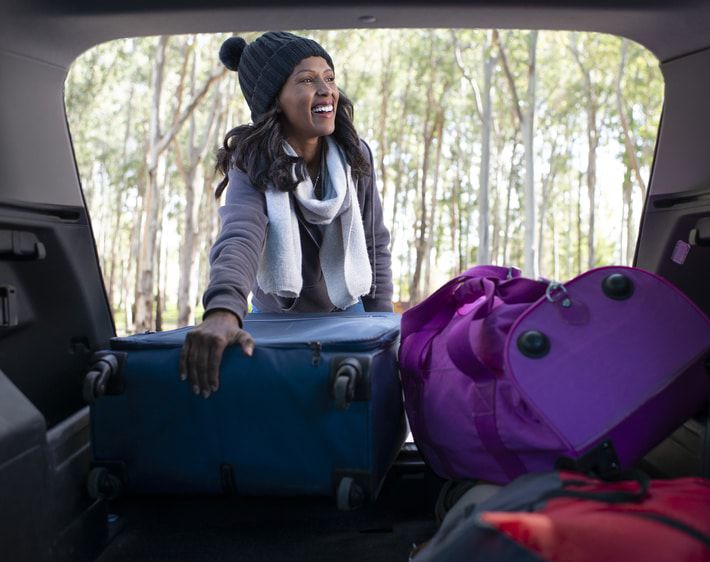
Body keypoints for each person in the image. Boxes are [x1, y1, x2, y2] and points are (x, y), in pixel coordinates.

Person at [180, 31, 394, 398]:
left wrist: (383, 325)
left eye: (329, 77)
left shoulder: (355, 154)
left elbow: (374, 242)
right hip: (275, 321)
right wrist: (224, 311)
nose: (326, 89)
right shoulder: (251, 161)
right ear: (275, 99)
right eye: (307, 80)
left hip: (349, 313)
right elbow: (240, 235)